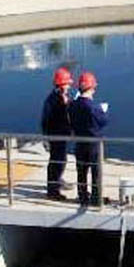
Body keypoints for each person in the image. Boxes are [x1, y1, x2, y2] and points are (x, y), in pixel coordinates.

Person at [69, 71, 110, 206]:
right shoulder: (93, 107)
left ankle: (82, 196)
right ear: (92, 88)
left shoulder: (73, 105)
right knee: (96, 171)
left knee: (81, 171)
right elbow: (103, 121)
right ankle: (96, 198)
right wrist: (103, 110)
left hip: (79, 143)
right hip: (93, 144)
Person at [41, 67, 73, 201]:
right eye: (67, 84)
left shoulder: (60, 97)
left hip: (61, 134)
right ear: (61, 85)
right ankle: (52, 190)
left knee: (61, 160)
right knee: (57, 161)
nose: (69, 86)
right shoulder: (54, 100)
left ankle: (57, 180)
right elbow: (47, 119)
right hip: (56, 135)